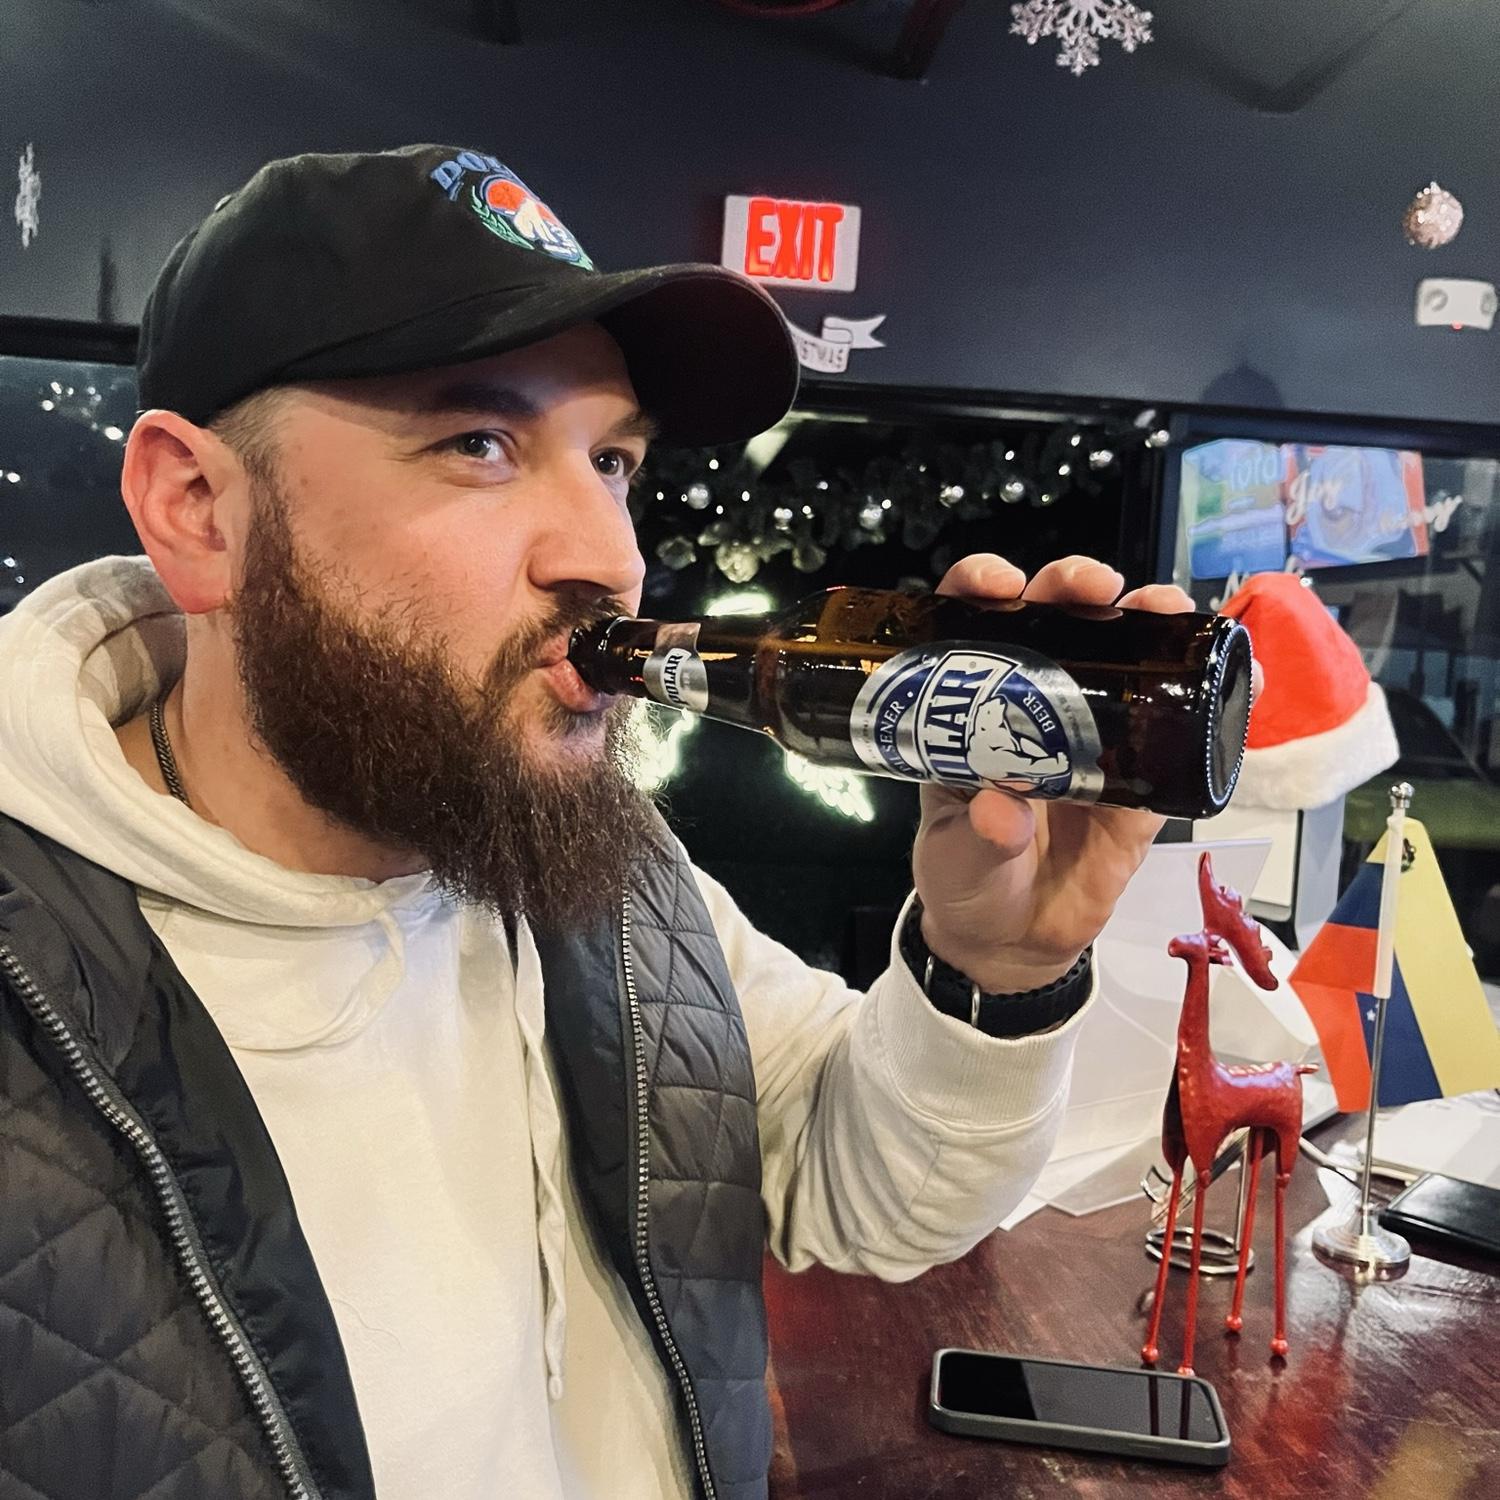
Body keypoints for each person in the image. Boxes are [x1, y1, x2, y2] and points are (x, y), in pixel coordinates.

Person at [0, 145, 1196, 1500]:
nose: (610, 554)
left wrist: (1000, 968)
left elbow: (871, 1190)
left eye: (614, 459)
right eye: (479, 442)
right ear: (199, 509)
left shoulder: (593, 863)